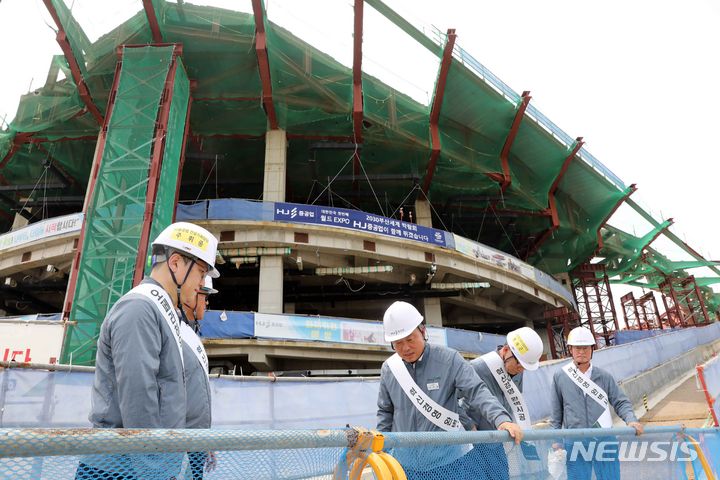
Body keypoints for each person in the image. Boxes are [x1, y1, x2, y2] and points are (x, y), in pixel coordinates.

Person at [77, 222, 219, 480]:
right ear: (175, 263)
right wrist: (156, 471)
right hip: (119, 469)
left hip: (141, 464)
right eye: (200, 272)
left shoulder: (159, 311)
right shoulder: (140, 309)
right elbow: (138, 395)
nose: (200, 284)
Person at [376, 301, 523, 479]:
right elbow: (385, 412)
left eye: (410, 339)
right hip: (404, 464)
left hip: (448, 461)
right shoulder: (389, 369)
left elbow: (476, 390)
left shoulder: (449, 359)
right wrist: (381, 449)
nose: (405, 348)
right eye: (397, 343)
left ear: (423, 332)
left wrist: (501, 419)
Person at [550, 326, 643, 480]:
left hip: (604, 439)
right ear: (570, 350)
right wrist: (556, 440)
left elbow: (620, 402)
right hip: (575, 442)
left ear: (592, 349)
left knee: (610, 477)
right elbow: (556, 413)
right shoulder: (560, 377)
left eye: (585, 348)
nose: (581, 352)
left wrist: (631, 420)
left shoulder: (604, 376)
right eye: (577, 348)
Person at [461, 327, 544, 479]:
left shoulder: (518, 371)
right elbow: (454, 401)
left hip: (497, 442)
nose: (521, 370)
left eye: (525, 367)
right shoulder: (477, 367)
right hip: (474, 442)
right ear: (506, 350)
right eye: (519, 364)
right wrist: (469, 425)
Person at [181, 276, 218, 479]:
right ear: (193, 295)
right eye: (205, 298)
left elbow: (195, 397)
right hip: (180, 444)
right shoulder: (174, 332)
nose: (206, 304)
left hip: (194, 442)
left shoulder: (190, 334)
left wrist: (204, 440)